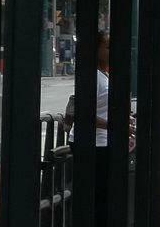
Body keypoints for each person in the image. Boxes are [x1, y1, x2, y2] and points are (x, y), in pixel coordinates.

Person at [68, 31, 111, 224]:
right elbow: (85, 114)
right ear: (97, 50)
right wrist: (114, 126)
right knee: (98, 196)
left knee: (103, 196)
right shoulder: (93, 76)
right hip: (93, 143)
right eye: (108, 47)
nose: (112, 51)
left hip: (102, 142)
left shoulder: (104, 74)